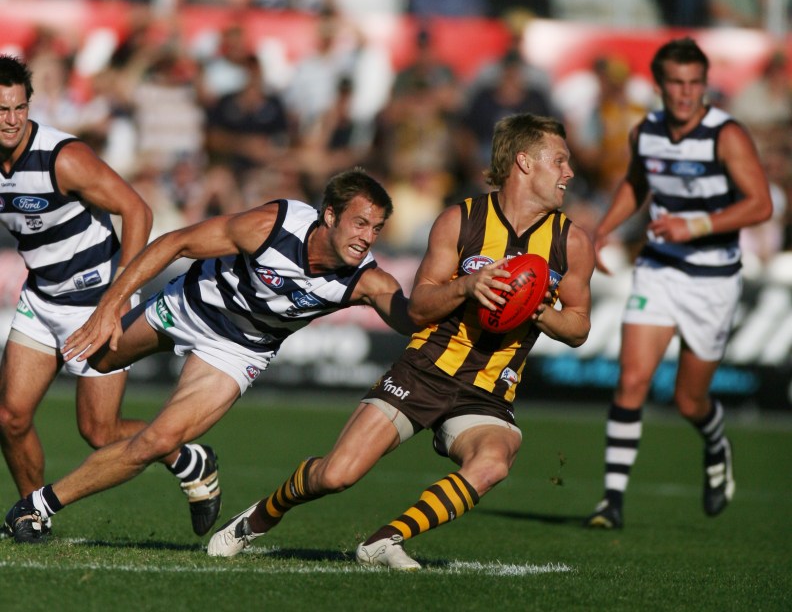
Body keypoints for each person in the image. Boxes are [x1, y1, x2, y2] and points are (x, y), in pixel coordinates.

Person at [206, 113, 594, 569]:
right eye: (559, 160)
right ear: (524, 162)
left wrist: (538, 309)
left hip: (489, 390)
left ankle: (385, 541)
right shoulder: (460, 221)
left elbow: (580, 327)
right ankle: (257, 519)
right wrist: (467, 288)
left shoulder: (572, 243)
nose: (569, 172)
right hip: (425, 370)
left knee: (493, 463)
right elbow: (419, 308)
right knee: (336, 475)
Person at [3, 168, 415, 543]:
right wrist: (111, 305)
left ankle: (37, 506)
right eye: (360, 223)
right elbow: (175, 243)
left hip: (237, 351)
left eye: (377, 228)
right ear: (329, 216)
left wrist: (463, 293)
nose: (367, 237)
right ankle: (190, 461)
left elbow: (413, 316)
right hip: (186, 306)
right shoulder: (271, 227)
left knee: (155, 439)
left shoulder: (367, 280)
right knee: (96, 410)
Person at [0, 54, 223, 539]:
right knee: (10, 418)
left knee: (98, 432)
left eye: (19, 108)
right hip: (41, 298)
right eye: (2, 110)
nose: (12, 120)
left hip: (94, 302)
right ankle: (32, 516)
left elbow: (136, 209)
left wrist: (118, 297)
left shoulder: (64, 157)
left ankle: (188, 455)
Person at [583, 38, 773, 530]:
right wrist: (604, 228)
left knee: (690, 400)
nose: (686, 94)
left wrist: (697, 225)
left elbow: (760, 204)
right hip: (660, 268)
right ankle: (612, 502)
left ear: (704, 86)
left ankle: (715, 442)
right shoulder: (645, 132)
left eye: (694, 84)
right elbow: (637, 183)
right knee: (631, 380)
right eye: (676, 83)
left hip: (712, 279)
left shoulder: (725, 135)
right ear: (660, 85)